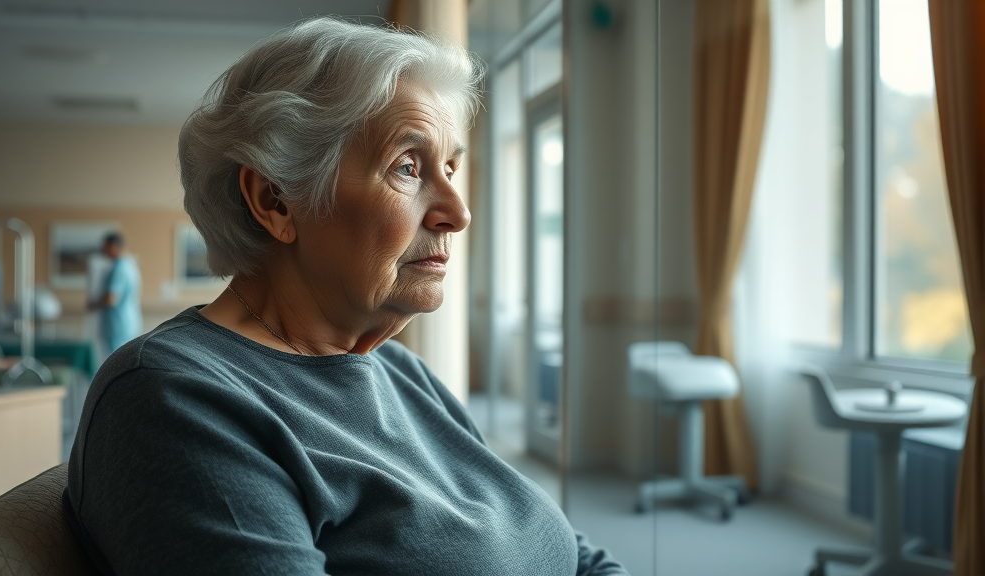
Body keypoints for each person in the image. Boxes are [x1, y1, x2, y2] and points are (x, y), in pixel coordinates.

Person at [64, 17, 629, 576]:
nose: (458, 212)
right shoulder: (175, 398)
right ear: (277, 200)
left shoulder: (402, 371)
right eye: (407, 167)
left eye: (451, 167)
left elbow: (574, 555)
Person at [87, 232, 141, 355]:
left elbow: (110, 299)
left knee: (115, 361)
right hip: (128, 322)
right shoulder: (130, 266)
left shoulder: (119, 267)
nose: (104, 250)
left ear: (113, 246)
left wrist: (93, 305)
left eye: (106, 247)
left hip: (117, 324)